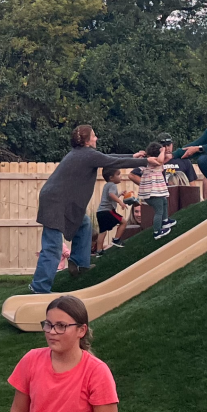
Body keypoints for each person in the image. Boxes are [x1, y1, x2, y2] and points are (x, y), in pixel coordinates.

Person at [31, 126, 162, 294]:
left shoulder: (83, 154)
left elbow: (108, 158)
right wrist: (145, 161)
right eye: (93, 136)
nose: (96, 138)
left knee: (84, 224)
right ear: (86, 141)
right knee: (53, 246)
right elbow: (113, 162)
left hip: (60, 200)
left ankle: (78, 264)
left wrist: (132, 156)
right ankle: (39, 288)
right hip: (55, 202)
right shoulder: (86, 154)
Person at [133, 141, 173, 238]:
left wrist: (140, 154)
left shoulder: (145, 162)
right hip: (154, 193)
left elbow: (169, 157)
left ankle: (165, 221)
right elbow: (160, 160)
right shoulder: (153, 162)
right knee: (159, 211)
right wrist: (163, 151)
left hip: (151, 193)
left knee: (164, 202)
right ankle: (157, 231)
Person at [94, 167, 134, 253]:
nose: (120, 176)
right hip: (107, 211)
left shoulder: (107, 185)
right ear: (111, 178)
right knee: (124, 222)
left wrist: (119, 194)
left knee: (103, 232)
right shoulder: (112, 185)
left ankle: (99, 251)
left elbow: (110, 197)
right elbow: (111, 195)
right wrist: (120, 202)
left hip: (100, 212)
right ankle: (116, 240)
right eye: (118, 174)